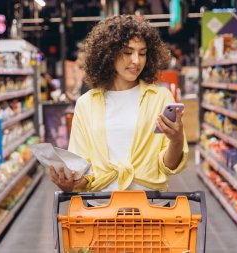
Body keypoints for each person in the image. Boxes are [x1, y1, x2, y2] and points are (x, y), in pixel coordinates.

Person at [49, 15, 188, 205]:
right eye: (127, 52)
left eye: (142, 53)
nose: (136, 61)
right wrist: (70, 183)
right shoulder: (86, 103)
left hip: (151, 209)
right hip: (100, 210)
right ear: (109, 53)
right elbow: (82, 169)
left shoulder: (160, 98)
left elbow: (169, 166)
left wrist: (177, 138)